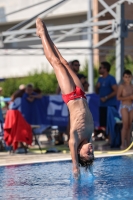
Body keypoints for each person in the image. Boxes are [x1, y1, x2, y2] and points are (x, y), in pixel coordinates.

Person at [36, 18, 94, 178]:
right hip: (81, 94)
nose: (91, 151)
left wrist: (76, 168)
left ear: (78, 152)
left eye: (88, 154)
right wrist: (89, 165)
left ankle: (42, 34)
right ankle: (45, 33)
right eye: (92, 154)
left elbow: (75, 161)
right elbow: (90, 165)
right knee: (65, 63)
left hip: (71, 96)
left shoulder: (74, 139)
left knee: (56, 63)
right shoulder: (89, 137)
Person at [95, 62, 117, 130]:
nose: (99, 69)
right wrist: (96, 87)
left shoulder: (111, 79)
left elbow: (116, 91)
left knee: (110, 123)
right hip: (102, 105)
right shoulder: (99, 79)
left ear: (105, 69)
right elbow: (97, 92)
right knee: (103, 124)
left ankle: (111, 139)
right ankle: (107, 138)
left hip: (110, 105)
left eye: (100, 67)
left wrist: (106, 97)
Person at [117, 69, 133, 149]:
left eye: (129, 77)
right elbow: (118, 97)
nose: (127, 78)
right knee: (125, 125)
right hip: (124, 106)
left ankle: (129, 143)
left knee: (129, 125)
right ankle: (123, 143)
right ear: (123, 78)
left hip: (131, 106)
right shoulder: (122, 86)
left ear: (131, 77)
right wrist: (129, 97)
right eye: (126, 77)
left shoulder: (132, 86)